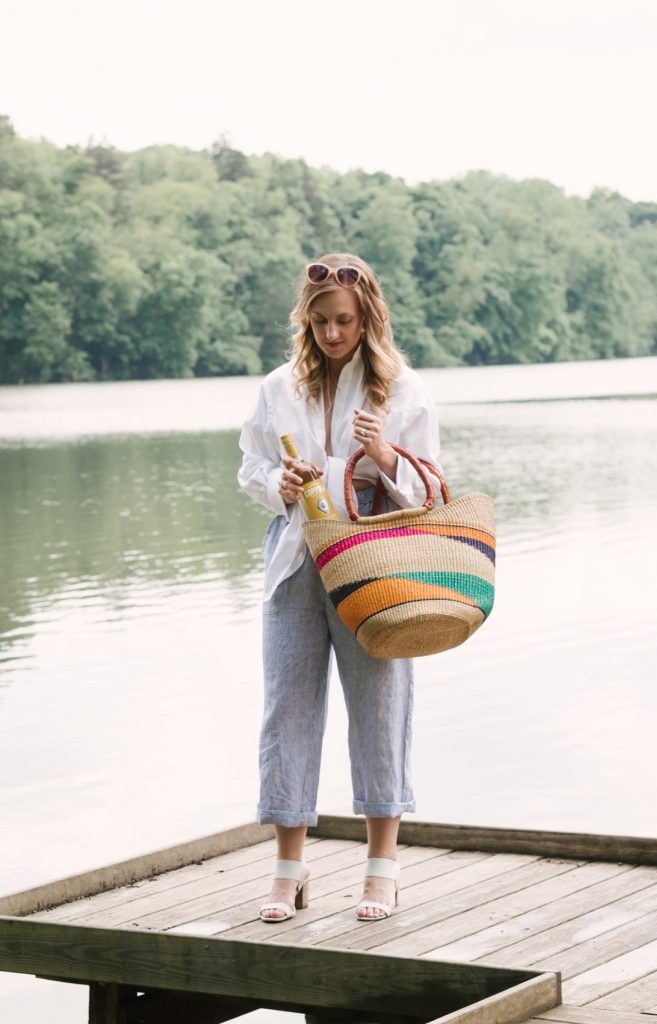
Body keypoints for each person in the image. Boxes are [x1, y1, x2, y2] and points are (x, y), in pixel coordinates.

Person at [237, 252, 441, 923]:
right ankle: (288, 872)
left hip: (372, 558)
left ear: (367, 318)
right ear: (307, 320)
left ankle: (381, 870)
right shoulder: (277, 388)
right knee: (286, 709)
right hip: (297, 556)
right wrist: (279, 485)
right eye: (321, 321)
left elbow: (429, 489)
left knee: (380, 705)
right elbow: (251, 469)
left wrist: (382, 455)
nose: (332, 333)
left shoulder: (401, 389)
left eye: (345, 321)